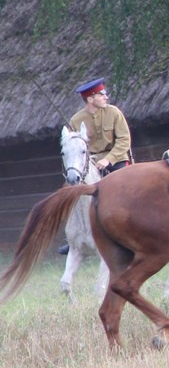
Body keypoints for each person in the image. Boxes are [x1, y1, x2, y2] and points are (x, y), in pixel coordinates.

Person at [58, 77, 132, 255]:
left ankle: (129, 230)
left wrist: (109, 159)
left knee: (125, 193)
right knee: (73, 192)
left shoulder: (114, 112)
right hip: (89, 163)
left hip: (117, 160)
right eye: (102, 94)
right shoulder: (76, 119)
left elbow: (124, 140)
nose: (106, 97)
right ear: (90, 99)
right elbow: (75, 146)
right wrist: (89, 161)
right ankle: (73, 238)